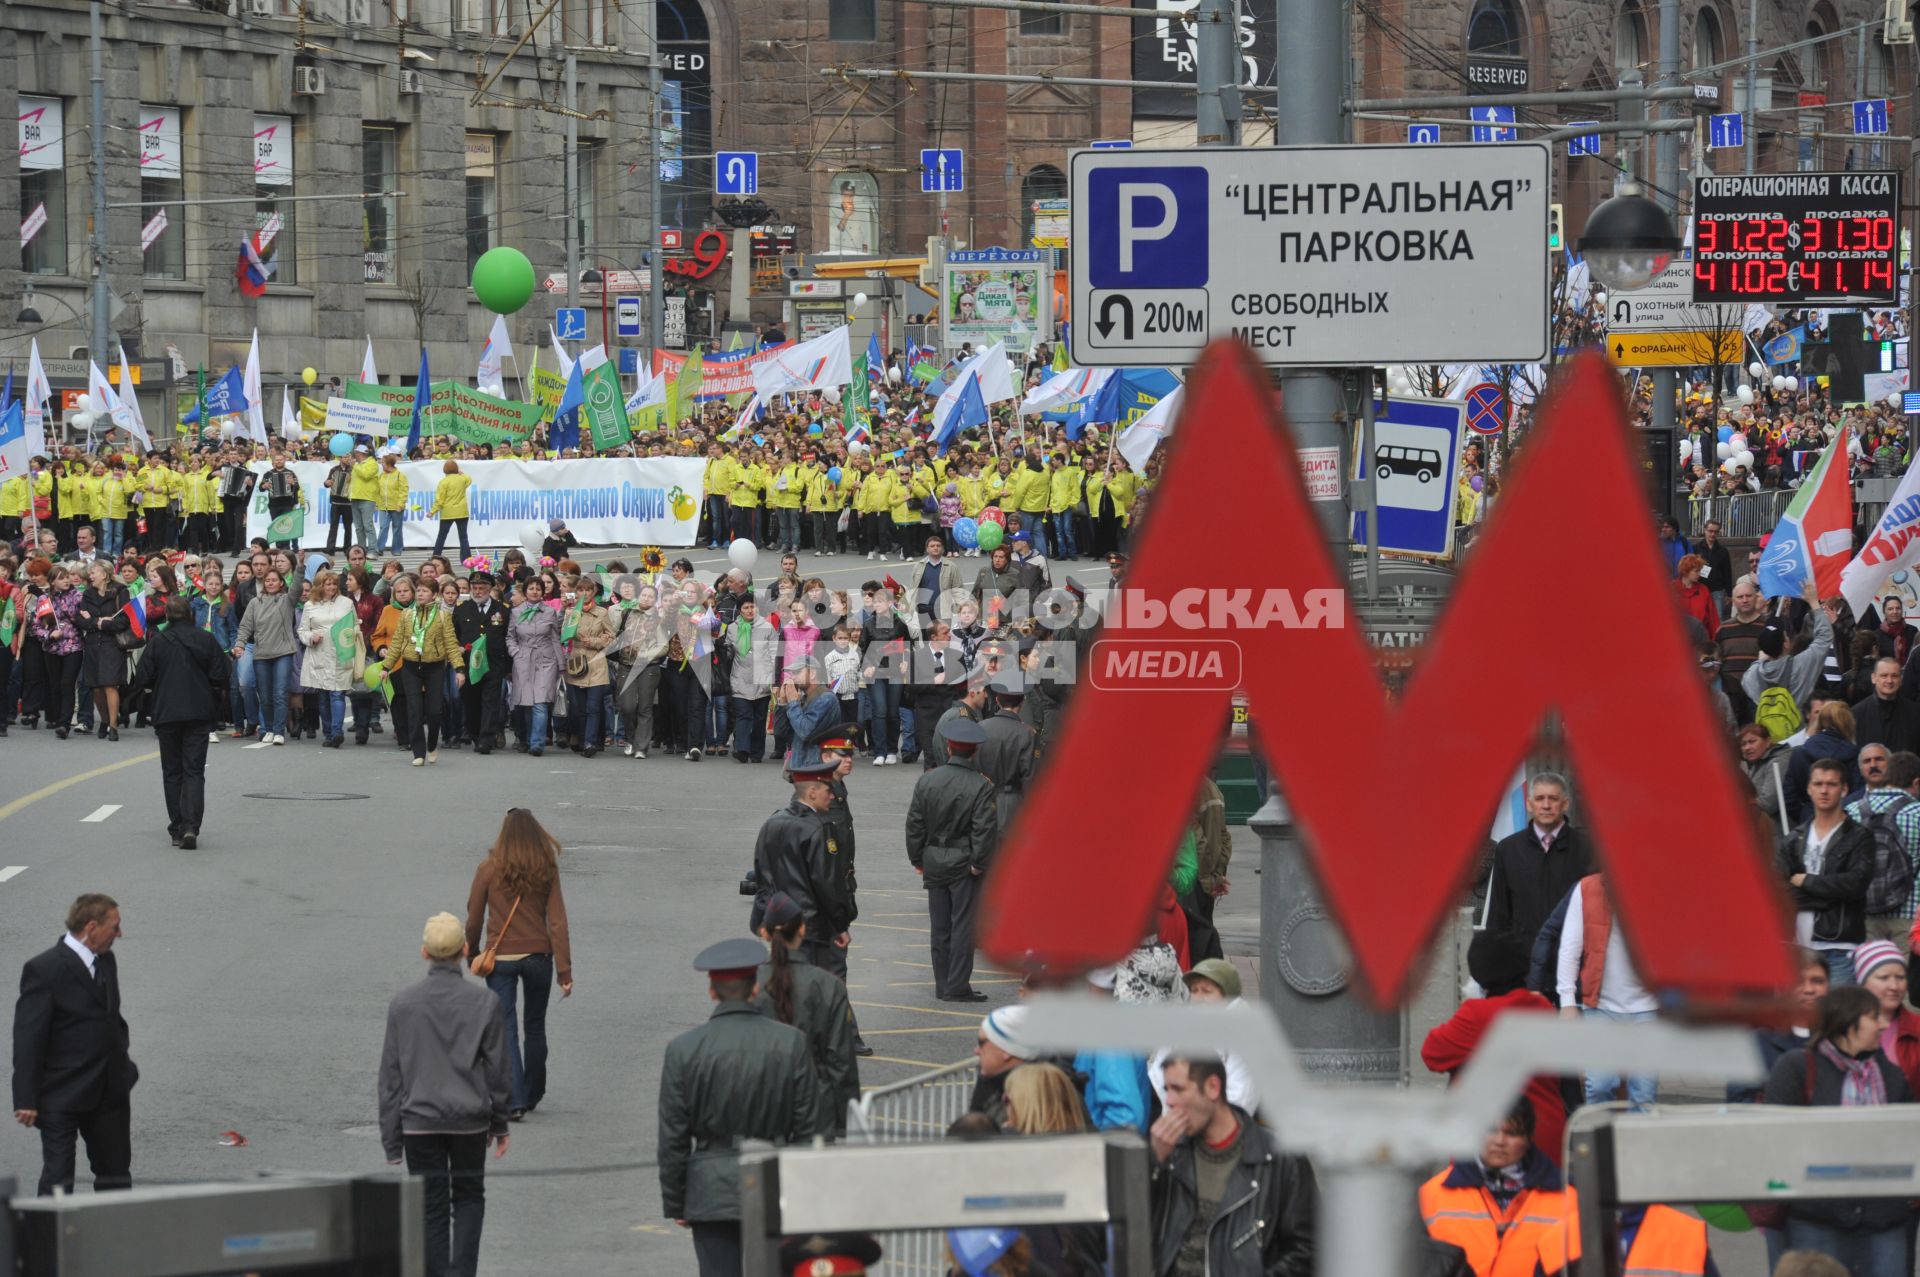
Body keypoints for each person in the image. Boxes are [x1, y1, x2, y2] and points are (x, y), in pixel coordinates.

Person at [656, 937, 823, 1277]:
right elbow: (809, 1127)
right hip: (774, 1180)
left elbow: (673, 1135)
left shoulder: (683, 1050)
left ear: (712, 991)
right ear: (755, 988)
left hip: (711, 1186)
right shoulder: (790, 1043)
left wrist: (677, 1200)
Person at [377, 912, 511, 1277]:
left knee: (430, 1207)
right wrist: (500, 1123)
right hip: (469, 1119)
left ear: (424, 953)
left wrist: (392, 1139)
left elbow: (391, 1076)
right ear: (465, 950)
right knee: (468, 1198)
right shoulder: (485, 1004)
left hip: (419, 1120)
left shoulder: (403, 1004)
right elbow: (497, 1069)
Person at [1763, 985, 1913, 1277]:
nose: (1884, 1024)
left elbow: (1908, 1141)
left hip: (1884, 1219)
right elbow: (1773, 1138)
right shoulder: (1797, 1068)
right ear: (1847, 1020)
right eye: (1874, 1017)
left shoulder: (1891, 1076)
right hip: (1816, 1216)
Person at [10, 894, 137, 1197]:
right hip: (62, 1094)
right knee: (58, 1179)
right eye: (114, 926)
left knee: (116, 1176)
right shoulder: (45, 969)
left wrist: (123, 1065)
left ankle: (113, 1238)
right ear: (92, 927)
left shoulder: (106, 959)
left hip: (108, 1091)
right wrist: (25, 1098)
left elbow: (111, 1018)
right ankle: (47, 1242)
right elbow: (28, 1037)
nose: (119, 933)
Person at [1149, 1055, 1317, 1277]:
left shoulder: (1280, 1159)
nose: (1169, 1101)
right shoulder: (1171, 1154)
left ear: (1212, 1087)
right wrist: (1153, 1165)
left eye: (1178, 1089)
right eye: (1167, 1089)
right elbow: (1136, 1238)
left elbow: (1309, 1252)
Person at [1421, 929, 1566, 1166]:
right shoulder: (1543, 1008)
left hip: (1494, 1140)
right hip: (1546, 1137)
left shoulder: (1477, 1015)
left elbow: (1432, 1053)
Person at [465, 809, 573, 1122]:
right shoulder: (546, 868)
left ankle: (514, 1100)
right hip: (539, 957)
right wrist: (565, 971)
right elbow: (557, 921)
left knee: (506, 1027)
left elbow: (474, 916)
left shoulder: (488, 867)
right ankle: (533, 1089)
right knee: (535, 1025)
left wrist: (472, 952)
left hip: (501, 959)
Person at [1419, 1099, 1577, 1277]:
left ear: (1528, 1138)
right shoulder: (1431, 1195)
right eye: (1490, 1130)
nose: (1499, 1141)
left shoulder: (1570, 1199)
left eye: (1511, 1133)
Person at [906, 718, 1000, 1003]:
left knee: (940, 926)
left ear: (949, 748)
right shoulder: (981, 785)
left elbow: (915, 825)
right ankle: (957, 984)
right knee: (962, 926)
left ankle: (942, 982)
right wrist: (977, 863)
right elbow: (984, 830)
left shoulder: (928, 780)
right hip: (963, 862)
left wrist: (918, 858)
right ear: (973, 751)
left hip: (934, 858)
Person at [753, 891, 859, 1136]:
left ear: (765, 933)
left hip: (763, 1105)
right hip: (816, 1106)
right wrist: (845, 1122)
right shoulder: (828, 986)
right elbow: (840, 1060)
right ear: (802, 930)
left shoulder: (752, 986)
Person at [127, 596, 228, 848]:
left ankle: (177, 827)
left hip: (167, 711)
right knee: (194, 770)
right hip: (199, 711)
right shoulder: (205, 639)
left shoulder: (158, 641)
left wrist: (159, 684)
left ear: (167, 616)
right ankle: (191, 827)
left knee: (172, 771)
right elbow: (222, 674)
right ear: (190, 614)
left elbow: (142, 677)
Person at [1556, 872, 1659, 1108]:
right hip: (1600, 1005)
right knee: (1600, 1085)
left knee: (1644, 1093)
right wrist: (1568, 1002)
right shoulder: (1587, 888)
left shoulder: (1659, 888)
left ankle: (1637, 1145)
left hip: (1649, 1007)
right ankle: (1601, 1142)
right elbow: (1570, 949)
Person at [1779, 756, 1876, 986]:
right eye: (1818, 784)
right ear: (1809, 789)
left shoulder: (1860, 837)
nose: (1824, 790)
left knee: (1837, 1020)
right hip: (1797, 947)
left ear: (1844, 789)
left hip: (1840, 947)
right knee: (1800, 1021)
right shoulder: (1794, 838)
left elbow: (1854, 885)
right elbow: (1779, 890)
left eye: (1831, 784)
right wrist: (1827, 892)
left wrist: (1805, 882)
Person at [1482, 773, 1592, 958]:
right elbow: (1498, 916)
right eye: (1540, 798)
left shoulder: (1587, 849)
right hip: (1523, 963)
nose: (1546, 805)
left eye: (1553, 798)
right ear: (1529, 804)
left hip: (1572, 963)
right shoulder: (1508, 850)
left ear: (1565, 804)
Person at [1844, 748, 1920, 944]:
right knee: (1904, 975)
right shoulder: (1917, 813)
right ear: (1916, 783)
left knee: (1871, 972)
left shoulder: (1852, 811)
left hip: (1863, 913)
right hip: (1909, 914)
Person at [234, 566, 298, 745]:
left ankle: (278, 731)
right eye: (267, 580)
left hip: (283, 653)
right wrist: (240, 645)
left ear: (281, 583)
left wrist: (299, 566)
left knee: (279, 693)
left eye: (274, 580)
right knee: (265, 695)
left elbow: (298, 587)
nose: (270, 583)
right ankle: (268, 729)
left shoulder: (287, 600)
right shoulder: (255, 603)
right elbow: (245, 627)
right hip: (261, 654)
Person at [296, 569, 356, 749]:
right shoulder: (310, 605)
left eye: (334, 584)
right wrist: (311, 637)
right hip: (319, 654)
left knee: (337, 693)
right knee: (323, 696)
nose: (331, 587)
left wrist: (348, 638)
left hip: (340, 654)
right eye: (327, 584)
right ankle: (328, 732)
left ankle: (337, 732)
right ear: (320, 586)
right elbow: (302, 631)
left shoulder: (346, 603)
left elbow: (354, 626)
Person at [975, 672, 1039, 835]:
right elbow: (1030, 779)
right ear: (1022, 702)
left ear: (997, 700)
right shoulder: (1026, 734)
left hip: (981, 801)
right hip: (1013, 804)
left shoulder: (981, 727)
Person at [75, 560, 131, 740]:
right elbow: (81, 620)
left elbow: (123, 621)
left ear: (104, 574)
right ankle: (105, 721)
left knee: (110, 684)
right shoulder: (88, 593)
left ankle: (114, 726)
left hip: (111, 644)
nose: (90, 576)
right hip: (92, 644)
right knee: (96, 687)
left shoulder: (121, 591)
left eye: (93, 573)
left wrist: (99, 621)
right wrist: (99, 622)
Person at [970, 1005, 1041, 1127]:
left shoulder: (1027, 1103)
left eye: (981, 1043)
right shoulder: (994, 1083)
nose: (976, 1051)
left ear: (1007, 1051)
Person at [430, 460, 475, 559]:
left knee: (441, 536)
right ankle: (467, 558)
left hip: (448, 512)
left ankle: (436, 557)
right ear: (456, 469)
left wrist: (432, 511)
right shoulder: (462, 480)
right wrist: (461, 473)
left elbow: (440, 500)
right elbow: (469, 479)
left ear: (444, 470)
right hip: (462, 512)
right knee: (463, 537)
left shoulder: (443, 482)